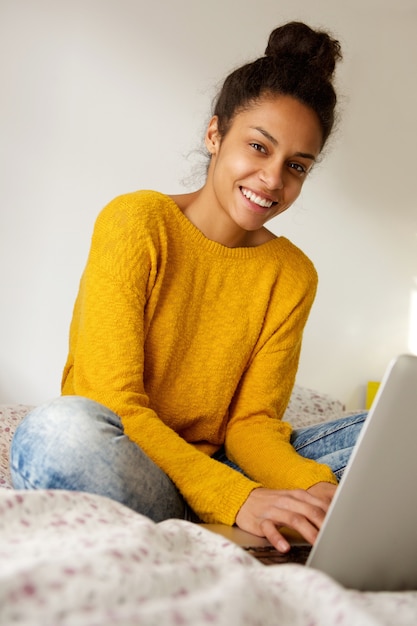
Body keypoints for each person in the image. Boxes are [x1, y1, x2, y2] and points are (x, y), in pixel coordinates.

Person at [11, 21, 366, 554]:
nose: (272, 180)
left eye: (296, 166)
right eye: (257, 147)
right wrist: (239, 498)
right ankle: (226, 519)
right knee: (58, 431)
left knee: (386, 439)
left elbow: (252, 424)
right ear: (214, 135)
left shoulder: (292, 274)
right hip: (137, 463)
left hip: (225, 465)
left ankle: (302, 519)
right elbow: (113, 402)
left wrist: (314, 487)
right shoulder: (137, 222)